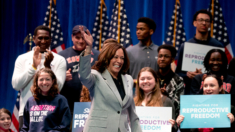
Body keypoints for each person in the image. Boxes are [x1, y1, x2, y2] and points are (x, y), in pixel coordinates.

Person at [78, 26, 142, 132]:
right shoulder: (96, 76)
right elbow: (83, 76)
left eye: (122, 58)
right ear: (107, 58)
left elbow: (133, 115)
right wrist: (88, 47)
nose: (119, 61)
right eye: (115, 57)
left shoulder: (128, 79)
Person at [12, 25, 66, 129]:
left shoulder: (59, 60)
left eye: (46, 38)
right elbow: (16, 85)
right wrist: (33, 67)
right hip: (28, 112)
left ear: (51, 39)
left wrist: (47, 67)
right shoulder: (22, 58)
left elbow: (58, 87)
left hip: (52, 112)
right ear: (34, 38)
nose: (43, 41)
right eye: (40, 38)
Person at [175, 9, 223, 94]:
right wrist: (187, 75)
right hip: (190, 91)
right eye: (201, 20)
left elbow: (223, 72)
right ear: (194, 23)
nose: (204, 23)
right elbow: (178, 73)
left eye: (207, 20)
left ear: (210, 24)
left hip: (213, 92)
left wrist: (206, 76)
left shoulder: (218, 46)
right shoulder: (185, 46)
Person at [58, 25, 99, 114]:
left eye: (83, 38)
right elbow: (52, 79)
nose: (80, 41)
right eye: (77, 37)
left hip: (91, 102)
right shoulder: (61, 55)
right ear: (72, 37)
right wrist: (61, 77)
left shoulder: (97, 55)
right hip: (67, 104)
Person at [134, 67, 177, 131]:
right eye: (142, 79)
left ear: (156, 80)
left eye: (149, 78)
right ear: (138, 82)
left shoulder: (166, 101)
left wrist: (172, 126)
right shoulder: (133, 102)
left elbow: (174, 128)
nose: (145, 81)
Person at [126, 17, 158, 81]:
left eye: (142, 29)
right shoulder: (128, 51)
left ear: (151, 31)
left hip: (155, 90)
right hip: (135, 90)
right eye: (137, 29)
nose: (138, 32)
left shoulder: (160, 51)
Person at [157, 45, 184, 118]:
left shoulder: (178, 80)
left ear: (172, 59)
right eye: (160, 56)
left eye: (166, 56)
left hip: (169, 121)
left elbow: (179, 106)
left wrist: (166, 97)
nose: (162, 59)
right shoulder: (151, 78)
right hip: (151, 119)